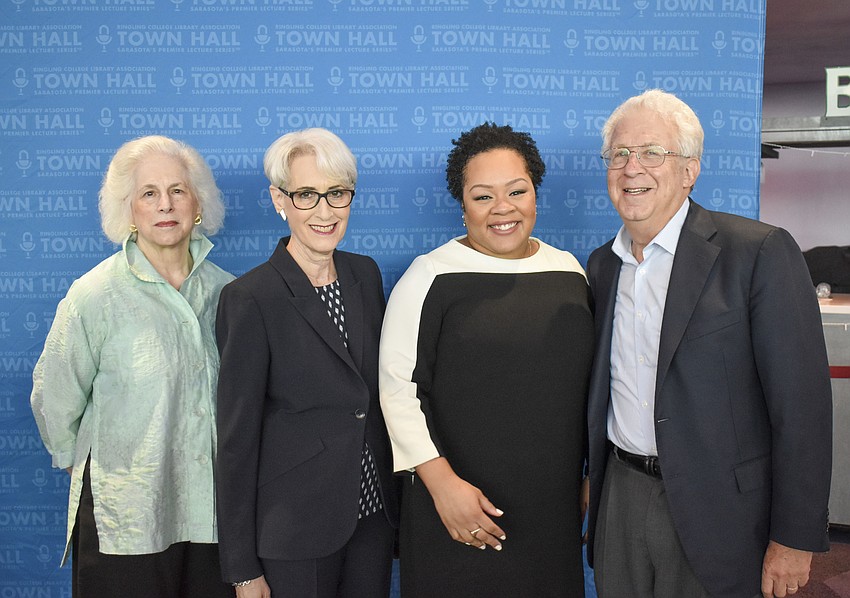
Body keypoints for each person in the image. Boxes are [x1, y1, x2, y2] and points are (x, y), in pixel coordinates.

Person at [585, 89, 833, 598]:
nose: (632, 168)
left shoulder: (758, 252)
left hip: (721, 509)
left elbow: (802, 408)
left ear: (689, 170)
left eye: (653, 152)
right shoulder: (602, 265)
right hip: (622, 496)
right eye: (619, 154)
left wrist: (795, 536)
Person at [379, 122, 594, 597]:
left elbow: (587, 391)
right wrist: (443, 487)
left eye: (517, 191)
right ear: (462, 206)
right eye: (483, 196)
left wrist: (589, 477)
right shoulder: (429, 276)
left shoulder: (569, 272)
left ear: (535, 194)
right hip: (457, 511)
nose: (503, 208)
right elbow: (398, 389)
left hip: (551, 513)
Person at [30, 135, 235, 598]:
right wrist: (86, 465)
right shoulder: (94, 295)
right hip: (125, 521)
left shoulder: (229, 294)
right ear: (128, 209)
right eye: (149, 193)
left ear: (198, 204)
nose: (165, 205)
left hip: (211, 514)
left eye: (178, 190)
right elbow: (54, 397)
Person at [215, 127, 400, 598]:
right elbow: (236, 443)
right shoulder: (250, 298)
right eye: (306, 195)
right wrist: (241, 568)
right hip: (294, 530)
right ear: (279, 199)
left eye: (336, 193)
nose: (325, 211)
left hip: (372, 514)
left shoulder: (365, 273)